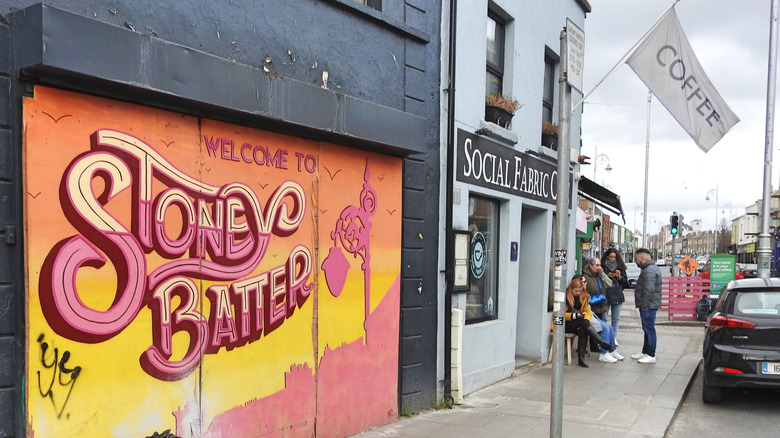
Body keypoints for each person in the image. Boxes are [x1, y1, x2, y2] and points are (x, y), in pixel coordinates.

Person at [556, 278, 614, 368]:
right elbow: (559, 313)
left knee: (584, 329)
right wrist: (574, 316)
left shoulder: (583, 296)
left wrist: (586, 320)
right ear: (571, 288)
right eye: (576, 291)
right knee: (581, 321)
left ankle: (581, 358)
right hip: (564, 323)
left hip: (578, 322)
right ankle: (600, 342)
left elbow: (587, 310)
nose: (578, 293)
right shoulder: (565, 296)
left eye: (580, 291)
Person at [573, 274, 624, 362]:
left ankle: (612, 350)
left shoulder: (584, 292)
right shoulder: (578, 294)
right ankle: (604, 353)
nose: (586, 283)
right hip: (584, 318)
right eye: (584, 282)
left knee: (610, 327)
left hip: (589, 316)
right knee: (605, 329)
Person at [633, 248, 663, 364]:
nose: (635, 261)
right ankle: (645, 352)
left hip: (649, 306)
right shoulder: (649, 268)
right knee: (647, 329)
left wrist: (644, 305)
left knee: (649, 329)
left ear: (641, 258)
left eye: (636, 259)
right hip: (649, 304)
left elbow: (649, 289)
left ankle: (651, 355)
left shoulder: (649, 270)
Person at [601, 248, 629, 341]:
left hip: (617, 295)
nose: (612, 259)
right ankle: (604, 337)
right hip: (605, 295)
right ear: (607, 256)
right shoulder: (603, 267)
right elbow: (599, 281)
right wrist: (607, 276)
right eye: (610, 257)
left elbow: (625, 284)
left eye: (614, 257)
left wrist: (619, 277)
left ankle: (613, 337)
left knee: (616, 319)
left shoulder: (621, 267)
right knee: (604, 317)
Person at [582, 256, 612, 321]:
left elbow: (609, 284)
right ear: (591, 266)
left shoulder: (600, 275)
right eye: (597, 265)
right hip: (592, 307)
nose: (599, 267)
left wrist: (602, 274)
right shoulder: (585, 277)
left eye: (600, 265)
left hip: (601, 306)